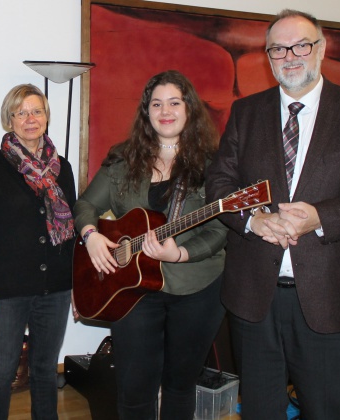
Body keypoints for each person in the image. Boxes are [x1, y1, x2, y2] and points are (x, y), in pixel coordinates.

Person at [205, 9, 340, 419]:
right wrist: (254, 220)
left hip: (334, 298)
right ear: (268, 56)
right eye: (278, 49)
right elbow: (219, 186)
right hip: (255, 300)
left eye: (301, 45)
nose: (290, 56)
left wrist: (322, 217)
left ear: (321, 48)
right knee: (259, 411)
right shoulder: (246, 112)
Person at [73, 70, 227, 419]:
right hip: (133, 291)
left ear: (189, 109)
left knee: (179, 385)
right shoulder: (122, 159)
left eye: (174, 103)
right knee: (134, 388)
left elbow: (221, 229)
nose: (165, 111)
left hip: (197, 288)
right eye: (156, 104)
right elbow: (85, 205)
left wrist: (181, 253)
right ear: (147, 112)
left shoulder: (214, 164)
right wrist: (91, 235)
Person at [0, 84, 76, 420]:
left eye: (37, 111)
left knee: (45, 369)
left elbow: (72, 230)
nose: (31, 119)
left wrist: (78, 284)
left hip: (55, 288)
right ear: (9, 120)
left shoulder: (63, 168)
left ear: (46, 117)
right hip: (7, 290)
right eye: (21, 112)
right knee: (1, 371)